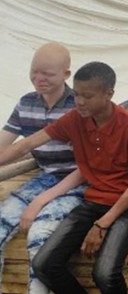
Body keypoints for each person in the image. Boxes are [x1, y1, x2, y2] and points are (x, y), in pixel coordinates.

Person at [1, 62, 128, 293]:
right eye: (76, 95)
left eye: (88, 96)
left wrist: (102, 224)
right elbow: (29, 143)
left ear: (109, 94)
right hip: (96, 199)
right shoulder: (75, 119)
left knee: (104, 274)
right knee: (44, 264)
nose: (80, 101)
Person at [0, 43, 85, 294]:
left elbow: (90, 165)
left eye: (47, 74)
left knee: (40, 236)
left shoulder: (79, 106)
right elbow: (6, 143)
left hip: (78, 178)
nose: (39, 79)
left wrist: (41, 201)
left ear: (66, 74)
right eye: (35, 72)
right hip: (44, 174)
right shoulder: (26, 102)